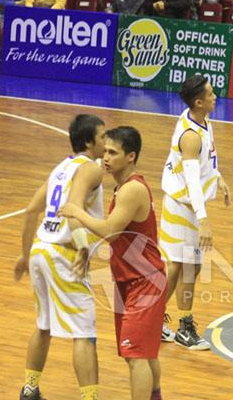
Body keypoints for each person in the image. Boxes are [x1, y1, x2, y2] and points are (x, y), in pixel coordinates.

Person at [59, 127, 166, 400]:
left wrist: (77, 212)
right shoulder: (123, 186)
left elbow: (110, 231)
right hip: (128, 279)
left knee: (135, 355)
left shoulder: (132, 189)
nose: (105, 157)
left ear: (130, 156)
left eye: (112, 152)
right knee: (143, 351)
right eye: (105, 151)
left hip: (144, 281)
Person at [13, 114, 106, 400]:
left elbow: (31, 210)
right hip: (63, 252)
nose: (107, 141)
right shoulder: (91, 169)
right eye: (103, 137)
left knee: (44, 325)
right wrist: (82, 247)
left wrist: (24, 254)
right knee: (84, 333)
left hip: (41, 249)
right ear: (90, 142)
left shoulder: (61, 167)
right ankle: (89, 397)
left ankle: (30, 388)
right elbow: (73, 208)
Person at [160, 75, 231, 350]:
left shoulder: (199, 119)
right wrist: (204, 221)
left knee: (188, 266)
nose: (216, 97)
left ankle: (156, 319)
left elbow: (205, 162)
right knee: (182, 266)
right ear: (199, 102)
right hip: (182, 208)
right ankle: (182, 326)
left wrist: (218, 177)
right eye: (211, 94)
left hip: (185, 205)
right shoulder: (190, 137)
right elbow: (191, 179)